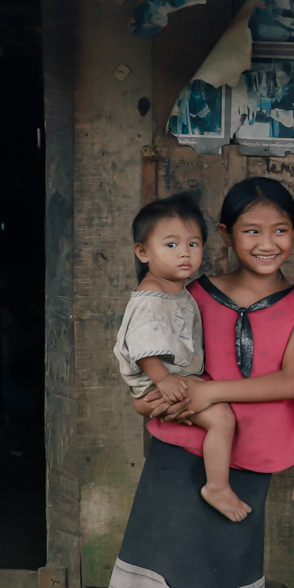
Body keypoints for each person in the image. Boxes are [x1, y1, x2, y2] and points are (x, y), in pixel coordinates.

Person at [105, 177, 294, 588]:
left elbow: (292, 382)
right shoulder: (192, 291)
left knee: (230, 587)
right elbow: (149, 358)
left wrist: (211, 391)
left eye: (279, 230)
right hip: (180, 456)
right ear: (226, 236)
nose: (266, 242)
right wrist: (146, 399)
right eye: (251, 230)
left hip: (249, 462)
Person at [113, 197, 246, 521]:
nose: (184, 252)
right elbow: (142, 346)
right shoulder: (152, 299)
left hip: (169, 381)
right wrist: (162, 381)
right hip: (159, 381)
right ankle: (217, 486)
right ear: (143, 252)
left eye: (193, 243)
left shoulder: (174, 288)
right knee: (222, 419)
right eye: (171, 244)